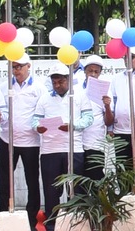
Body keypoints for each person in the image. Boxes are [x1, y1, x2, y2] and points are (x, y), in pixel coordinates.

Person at [34, 65, 96, 208]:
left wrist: (72, 125)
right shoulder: (44, 99)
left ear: (68, 79)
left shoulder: (80, 96)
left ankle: (77, 222)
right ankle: (51, 227)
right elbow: (35, 120)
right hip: (50, 150)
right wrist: (38, 127)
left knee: (75, 190)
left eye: (60, 82)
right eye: (54, 82)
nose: (57, 85)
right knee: (51, 191)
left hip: (73, 149)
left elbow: (89, 118)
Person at [0, 56, 47, 223]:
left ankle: (32, 218)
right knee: (4, 180)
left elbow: (43, 112)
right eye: (14, 66)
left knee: (32, 180)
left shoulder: (39, 88)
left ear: (28, 66)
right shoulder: (4, 87)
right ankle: (4, 215)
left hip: (30, 142)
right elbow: (1, 111)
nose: (17, 70)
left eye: (20, 66)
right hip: (7, 140)